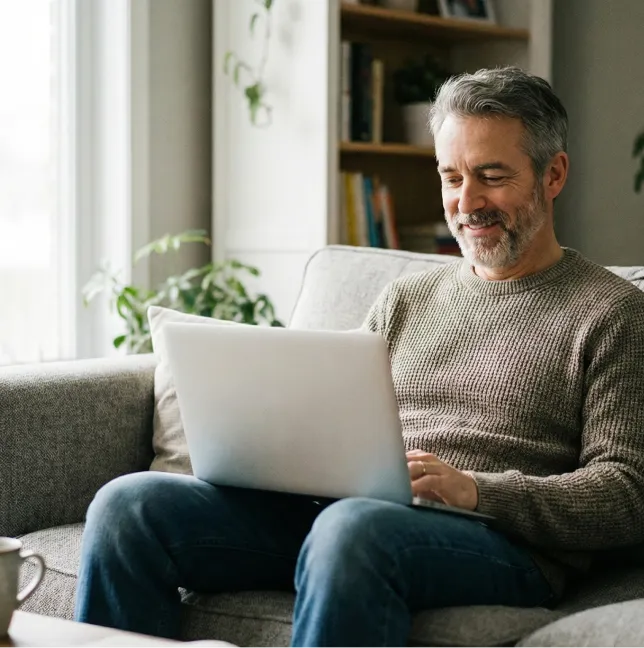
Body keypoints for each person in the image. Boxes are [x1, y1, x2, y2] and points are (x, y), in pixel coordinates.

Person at [73, 66, 644, 647]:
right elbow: (333, 417)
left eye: (491, 176)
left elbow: (627, 492)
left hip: (500, 543)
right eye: (450, 177)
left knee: (350, 529)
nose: (466, 202)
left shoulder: (612, 312)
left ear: (554, 174)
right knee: (129, 507)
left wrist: (476, 489)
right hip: (349, 515)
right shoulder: (407, 298)